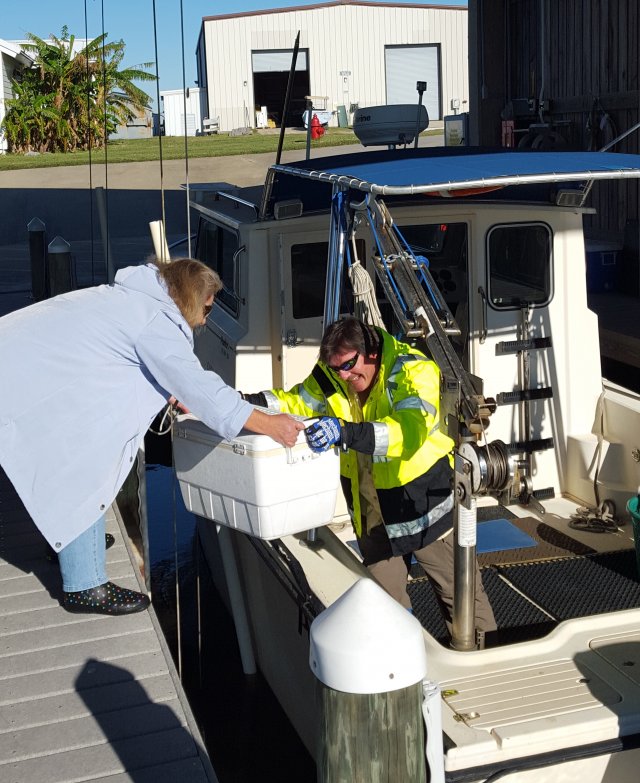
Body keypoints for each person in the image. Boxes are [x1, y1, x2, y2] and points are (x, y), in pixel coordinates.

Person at [0, 257, 303, 616]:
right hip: (26, 378)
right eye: (206, 307)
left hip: (26, 366)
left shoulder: (133, 298)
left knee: (71, 459)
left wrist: (171, 390)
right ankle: (84, 583)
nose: (206, 319)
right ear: (191, 297)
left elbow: (127, 356)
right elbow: (200, 387)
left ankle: (70, 541)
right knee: (85, 463)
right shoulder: (155, 320)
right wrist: (270, 424)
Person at [244, 316, 495, 638]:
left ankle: (482, 656)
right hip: (371, 510)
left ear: (372, 352)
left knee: (461, 598)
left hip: (423, 507)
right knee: (385, 604)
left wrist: (344, 432)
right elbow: (297, 400)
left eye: (349, 365)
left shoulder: (414, 372)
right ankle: (403, 667)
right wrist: (244, 404)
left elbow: (407, 433)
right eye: (337, 369)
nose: (344, 376)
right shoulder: (332, 374)